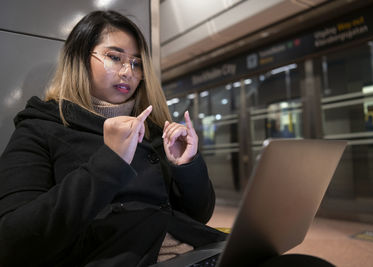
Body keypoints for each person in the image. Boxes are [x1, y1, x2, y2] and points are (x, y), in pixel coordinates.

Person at [0, 10, 226, 267]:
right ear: (81, 59)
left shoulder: (152, 127)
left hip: (193, 253)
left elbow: (199, 215)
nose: (127, 72)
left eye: (137, 63)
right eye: (114, 57)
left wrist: (187, 165)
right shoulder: (42, 126)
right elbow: (13, 241)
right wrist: (110, 162)